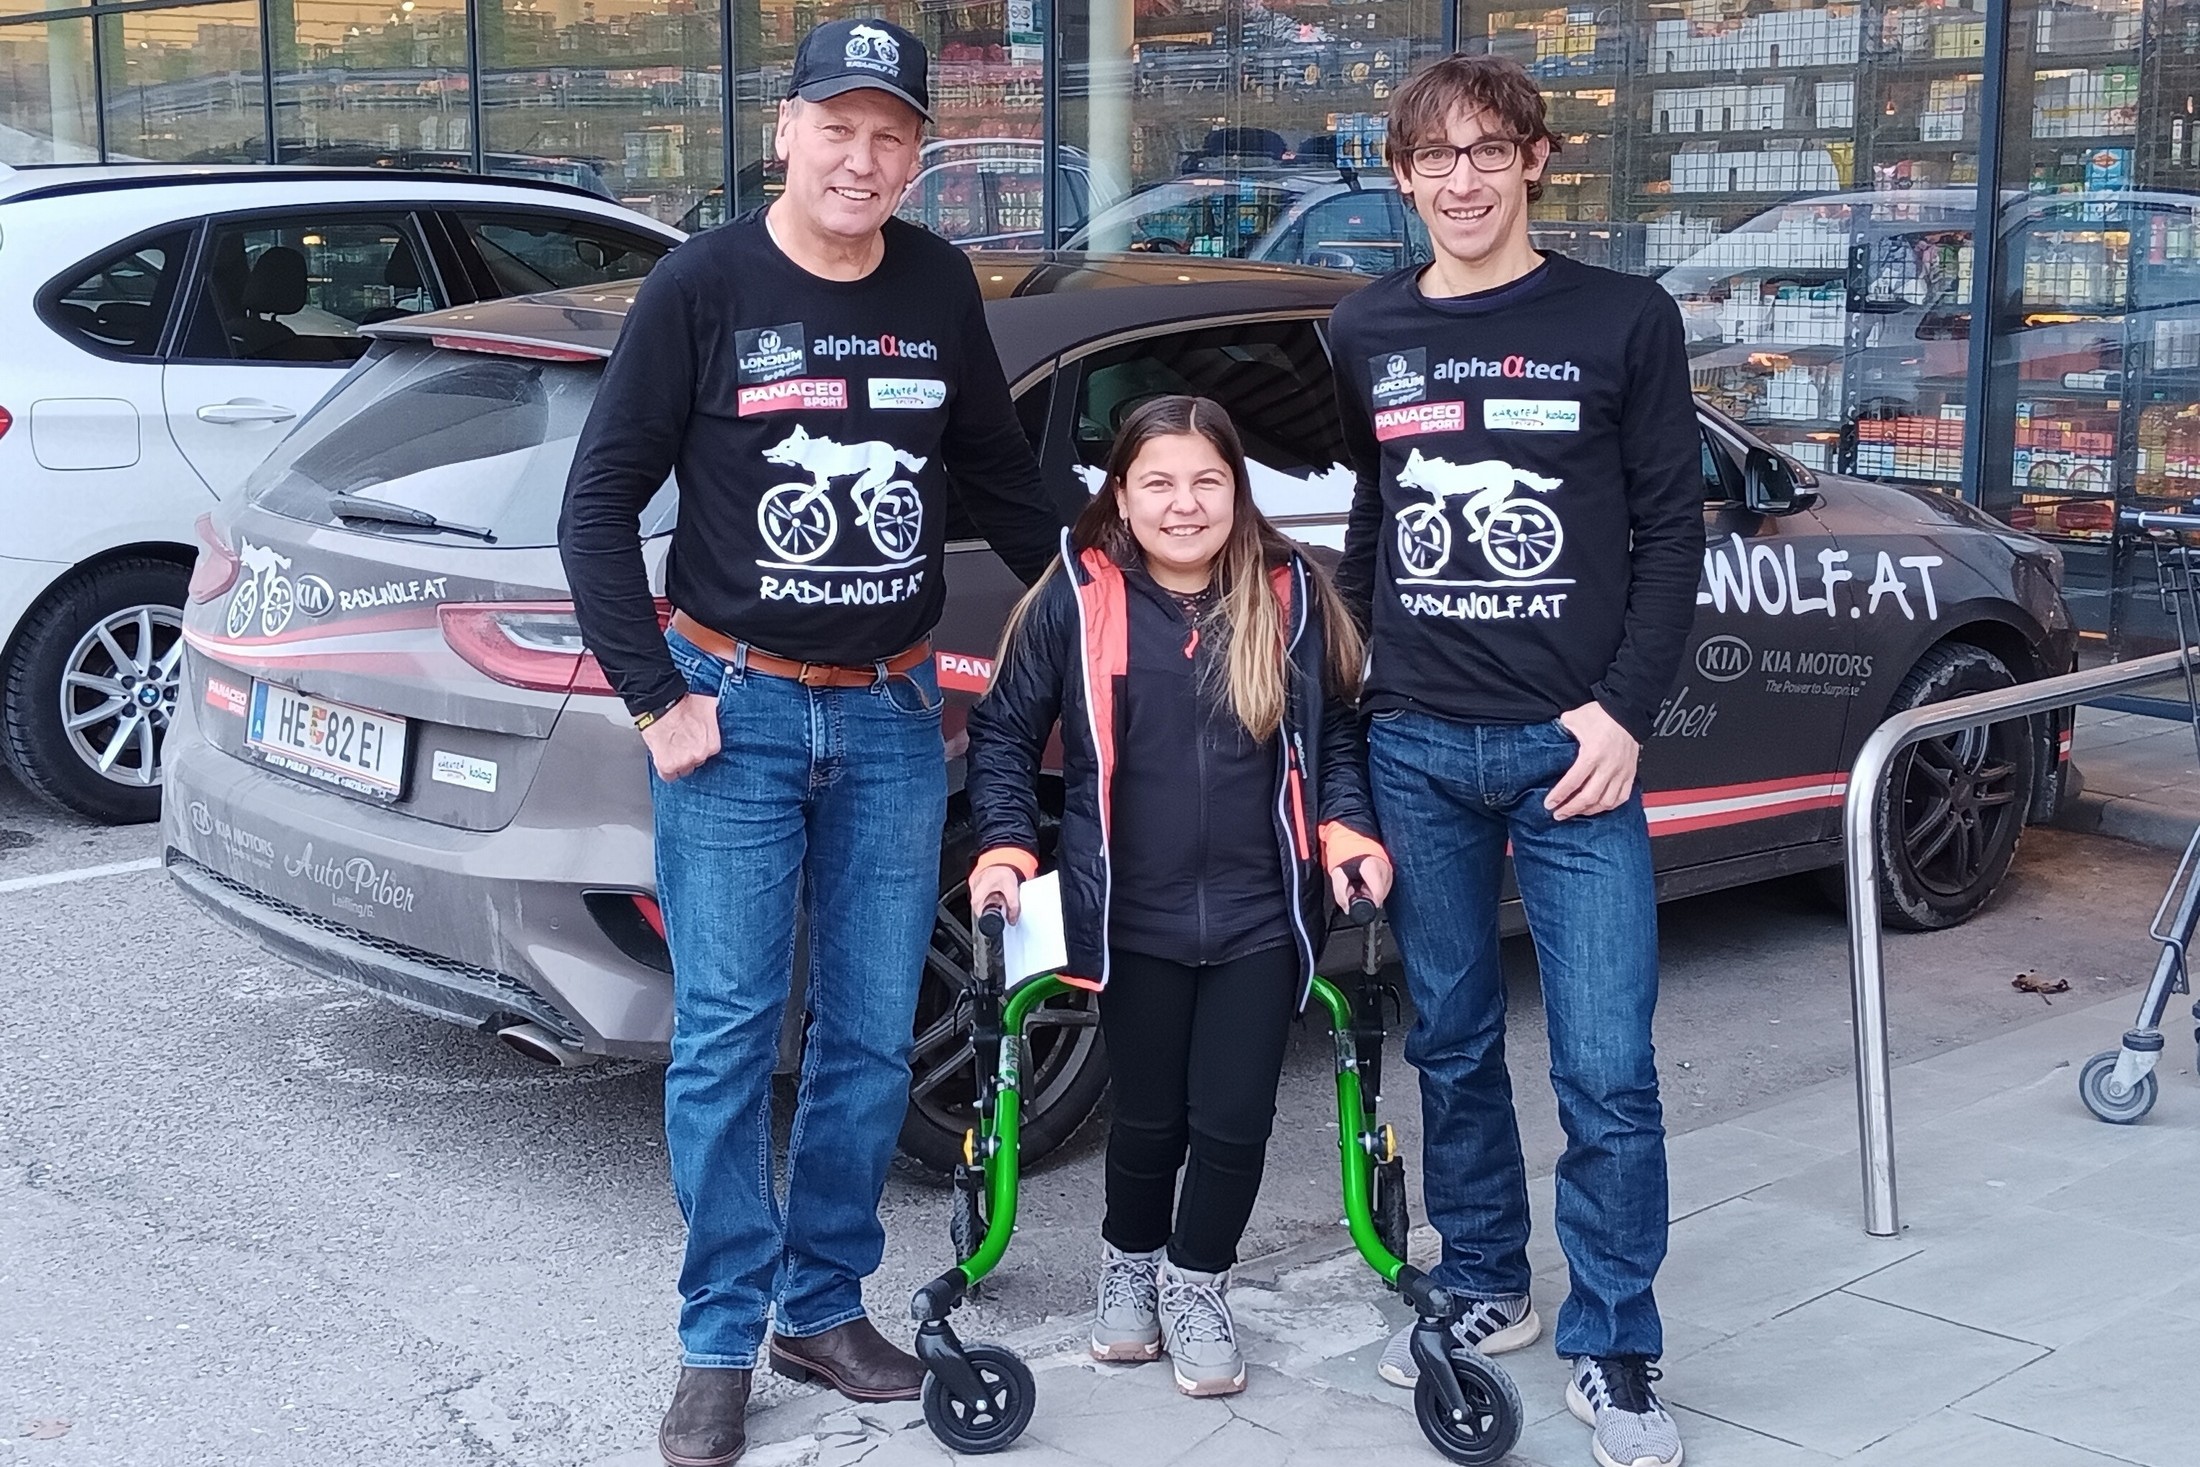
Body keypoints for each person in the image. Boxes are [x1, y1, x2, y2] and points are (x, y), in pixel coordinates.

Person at [557, 18, 1064, 1467]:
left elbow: (995, 473)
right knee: (725, 1034)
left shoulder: (935, 282)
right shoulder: (701, 285)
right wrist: (657, 698)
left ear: (917, 155)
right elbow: (597, 507)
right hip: (738, 710)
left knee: (868, 1033)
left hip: (894, 714)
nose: (861, 157)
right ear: (785, 131)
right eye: (836, 127)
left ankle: (821, 1307)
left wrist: (1114, 589)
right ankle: (719, 1335)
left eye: (890, 134)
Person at [1327, 53, 1705, 1467]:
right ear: (1402, 177)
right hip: (1416, 743)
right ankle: (1486, 1275)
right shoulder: (1365, 328)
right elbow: (1375, 519)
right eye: (1435, 156)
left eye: (1491, 149)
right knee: (1451, 1036)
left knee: (1607, 1064)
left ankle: (1616, 1342)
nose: (1464, 179)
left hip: (1572, 752)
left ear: (1538, 160)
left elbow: (1672, 529)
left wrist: (1622, 711)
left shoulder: (1622, 318)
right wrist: (1352, 693)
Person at [964, 395, 1391, 1398]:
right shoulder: (1075, 594)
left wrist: (1347, 830)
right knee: (1149, 1118)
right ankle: (1129, 1266)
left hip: (1260, 914)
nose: (1183, 503)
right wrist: (1005, 849)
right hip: (1132, 915)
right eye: (1157, 482)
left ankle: (1198, 1284)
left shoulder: (1290, 592)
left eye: (1207, 480)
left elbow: (1333, 734)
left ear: (1237, 490)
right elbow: (1004, 732)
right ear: (1121, 494)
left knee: (1234, 1120)